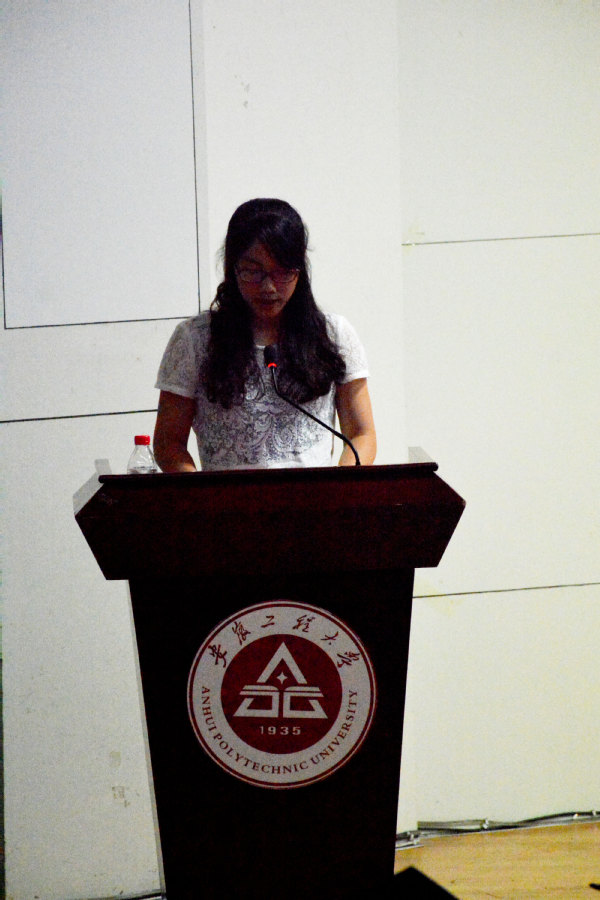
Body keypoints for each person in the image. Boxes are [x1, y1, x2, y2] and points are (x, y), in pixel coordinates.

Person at [153, 198, 376, 471]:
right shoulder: (194, 339)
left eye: (282, 272)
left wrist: (341, 485)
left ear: (300, 271)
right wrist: (203, 493)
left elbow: (361, 434)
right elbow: (169, 443)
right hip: (227, 498)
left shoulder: (334, 334)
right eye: (253, 272)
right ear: (233, 269)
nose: (268, 287)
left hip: (314, 497)